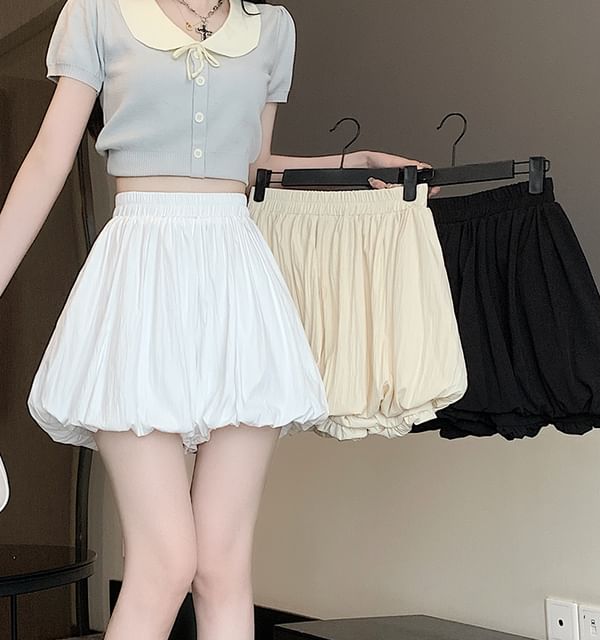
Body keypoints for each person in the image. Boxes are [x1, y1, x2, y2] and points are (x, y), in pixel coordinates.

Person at [0, 0, 437, 637]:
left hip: (236, 280)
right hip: (141, 277)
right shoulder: (99, 11)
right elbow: (48, 160)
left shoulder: (271, 28)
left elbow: (253, 163)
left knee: (223, 568)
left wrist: (351, 164)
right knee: (165, 562)